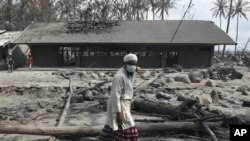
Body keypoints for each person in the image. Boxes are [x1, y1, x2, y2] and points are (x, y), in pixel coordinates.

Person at [99, 53, 140, 141]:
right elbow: (115, 95)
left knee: (115, 126)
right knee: (128, 127)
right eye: (131, 64)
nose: (133, 66)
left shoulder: (128, 73)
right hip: (118, 105)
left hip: (124, 103)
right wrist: (119, 113)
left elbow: (129, 85)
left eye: (135, 64)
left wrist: (130, 101)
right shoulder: (119, 77)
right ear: (124, 64)